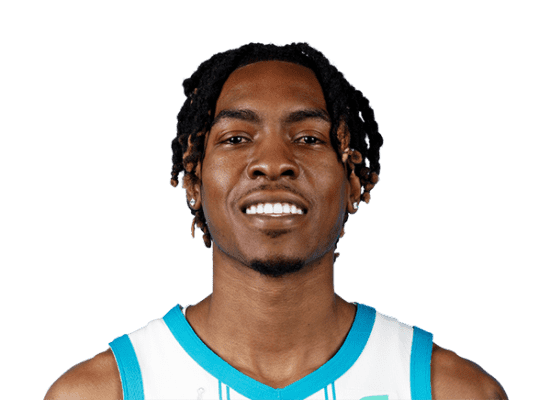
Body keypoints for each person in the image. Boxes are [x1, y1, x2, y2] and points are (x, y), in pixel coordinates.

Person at [44, 42, 508, 400]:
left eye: (308, 138)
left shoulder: (451, 391)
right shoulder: (101, 393)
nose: (272, 162)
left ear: (353, 181)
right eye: (236, 138)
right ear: (193, 180)